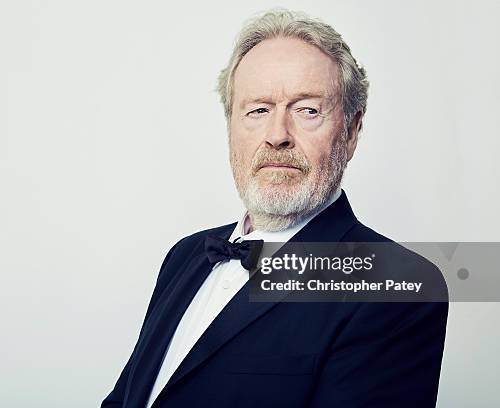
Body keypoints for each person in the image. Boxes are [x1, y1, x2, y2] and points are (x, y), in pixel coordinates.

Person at [101, 9, 448, 408]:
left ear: (351, 132)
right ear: (230, 126)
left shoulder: (397, 287)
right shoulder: (185, 256)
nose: (277, 135)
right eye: (258, 110)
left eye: (307, 110)